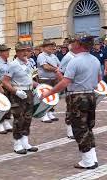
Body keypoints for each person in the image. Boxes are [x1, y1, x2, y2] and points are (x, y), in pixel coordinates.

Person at [42, 33, 100, 169]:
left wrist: (48, 93)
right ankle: (92, 158)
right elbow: (98, 82)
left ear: (78, 45)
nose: (71, 44)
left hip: (77, 97)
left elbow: (65, 83)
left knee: (80, 129)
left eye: (73, 42)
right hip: (91, 95)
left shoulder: (75, 61)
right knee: (88, 128)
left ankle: (87, 161)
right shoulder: (95, 60)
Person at [2, 42, 38, 155]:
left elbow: (29, 79)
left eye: (27, 51)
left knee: (28, 118)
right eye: (22, 51)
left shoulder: (28, 63)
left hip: (29, 92)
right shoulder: (13, 65)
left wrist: (38, 86)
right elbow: (5, 81)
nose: (25, 53)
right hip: (18, 93)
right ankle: (17, 144)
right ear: (17, 52)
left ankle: (25, 142)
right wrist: (16, 91)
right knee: (19, 119)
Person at [37, 40, 60, 123]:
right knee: (44, 97)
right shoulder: (41, 56)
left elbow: (59, 64)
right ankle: (43, 115)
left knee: (53, 97)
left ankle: (50, 112)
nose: (51, 47)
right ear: (43, 48)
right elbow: (45, 67)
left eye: (51, 46)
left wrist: (57, 69)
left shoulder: (53, 56)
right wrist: (56, 69)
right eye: (48, 46)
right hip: (44, 79)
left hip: (54, 79)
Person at [58, 38, 76, 139]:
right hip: (70, 87)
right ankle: (70, 130)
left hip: (78, 86)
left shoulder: (78, 55)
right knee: (71, 108)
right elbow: (59, 71)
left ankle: (76, 127)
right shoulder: (68, 57)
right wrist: (66, 84)